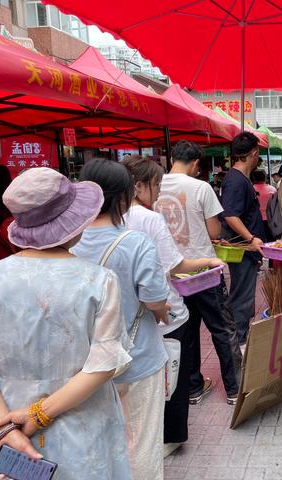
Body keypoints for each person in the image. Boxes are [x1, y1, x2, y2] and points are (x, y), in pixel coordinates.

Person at [0, 167, 132, 479]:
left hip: (9, 421)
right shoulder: (99, 281)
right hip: (84, 419)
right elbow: (103, 365)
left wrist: (7, 430)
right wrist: (39, 414)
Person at [72, 159, 170, 480]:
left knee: (100, 443)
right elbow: (155, 300)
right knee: (141, 442)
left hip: (86, 366)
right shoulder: (136, 243)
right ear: (125, 198)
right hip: (138, 357)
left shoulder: (66, 246)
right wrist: (162, 312)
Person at [121, 156, 225, 456]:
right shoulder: (149, 219)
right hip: (165, 311)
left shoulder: (113, 216)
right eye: (154, 185)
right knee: (171, 379)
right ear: (138, 186)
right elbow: (175, 266)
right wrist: (208, 261)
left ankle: (143, 435)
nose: (157, 192)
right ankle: (171, 438)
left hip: (130, 315)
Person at [154, 141, 241, 406]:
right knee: (222, 329)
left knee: (186, 331)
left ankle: (192, 388)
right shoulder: (201, 187)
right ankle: (235, 389)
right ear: (195, 164)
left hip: (173, 273)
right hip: (203, 270)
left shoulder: (155, 186)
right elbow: (214, 232)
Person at [220, 132, 266, 347]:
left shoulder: (239, 179)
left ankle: (240, 338)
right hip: (242, 249)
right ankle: (238, 343)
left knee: (244, 297)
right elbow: (230, 215)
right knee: (241, 297)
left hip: (247, 249)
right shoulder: (236, 181)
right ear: (254, 153)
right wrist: (252, 238)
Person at [252, 169, 276, 240]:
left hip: (255, 220)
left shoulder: (251, 189)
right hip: (270, 219)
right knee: (270, 240)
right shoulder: (272, 190)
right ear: (265, 177)